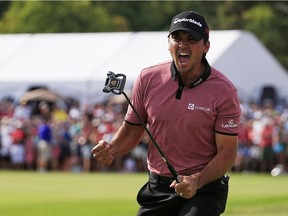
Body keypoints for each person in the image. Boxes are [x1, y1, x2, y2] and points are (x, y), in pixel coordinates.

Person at [92, 11, 241, 216]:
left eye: (191, 39)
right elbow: (131, 131)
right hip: (159, 187)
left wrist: (196, 181)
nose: (183, 44)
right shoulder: (148, 78)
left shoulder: (224, 90)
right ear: (168, 42)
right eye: (177, 38)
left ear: (206, 46)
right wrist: (112, 149)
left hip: (205, 189)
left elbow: (227, 153)